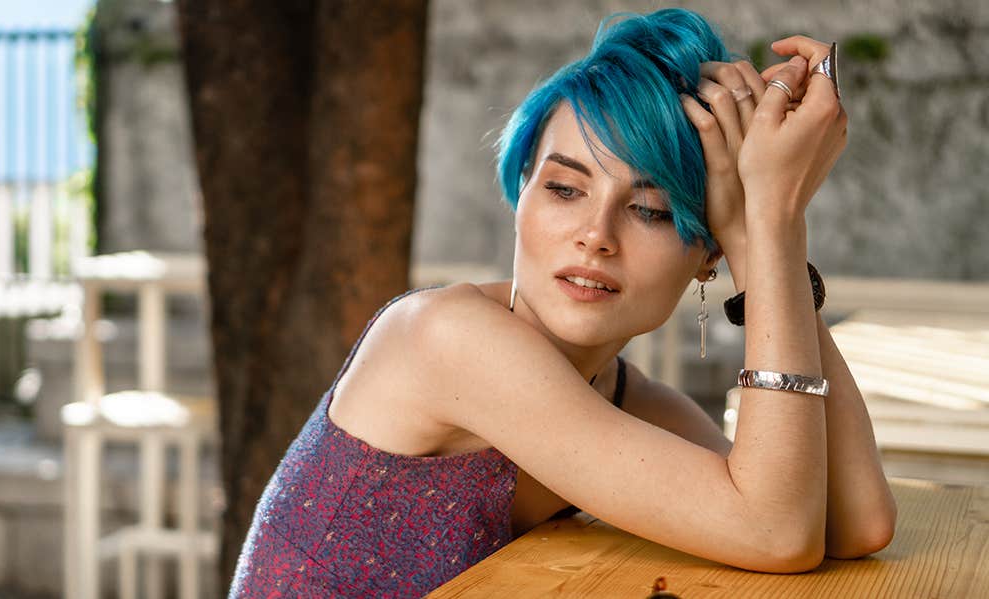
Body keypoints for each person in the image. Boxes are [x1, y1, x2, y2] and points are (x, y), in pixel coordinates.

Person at [229, 8, 896, 598]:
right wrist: (771, 218)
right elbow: (776, 529)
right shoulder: (445, 337)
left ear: (707, 253)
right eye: (565, 190)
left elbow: (852, 520)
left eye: (647, 209)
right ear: (520, 197)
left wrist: (762, 238)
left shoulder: (629, 402)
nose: (594, 237)